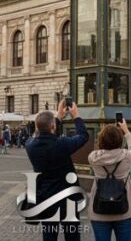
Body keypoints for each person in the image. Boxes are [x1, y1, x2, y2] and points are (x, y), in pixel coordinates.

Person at [25, 99, 89, 241]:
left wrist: (58, 116)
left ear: (36, 127)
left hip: (46, 197)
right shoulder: (62, 144)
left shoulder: (30, 145)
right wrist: (76, 116)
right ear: (53, 126)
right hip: (69, 199)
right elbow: (84, 136)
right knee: (72, 236)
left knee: (49, 236)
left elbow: (45, 133)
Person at [88, 121, 131, 241]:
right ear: (120, 141)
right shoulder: (127, 157)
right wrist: (126, 131)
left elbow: (98, 149)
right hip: (124, 210)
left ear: (101, 141)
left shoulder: (93, 158)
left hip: (99, 211)